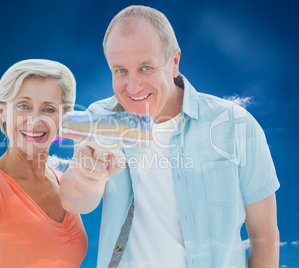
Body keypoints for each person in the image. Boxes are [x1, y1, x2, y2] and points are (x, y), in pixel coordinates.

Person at [60, 5, 280, 268]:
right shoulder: (100, 118)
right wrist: (89, 176)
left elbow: (264, 236)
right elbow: (76, 202)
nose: (133, 87)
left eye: (146, 68)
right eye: (120, 71)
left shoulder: (237, 126)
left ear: (174, 62)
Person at [0, 59, 88, 267]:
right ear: (2, 111)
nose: (35, 120)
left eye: (49, 109)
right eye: (23, 106)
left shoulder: (64, 182)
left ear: (63, 118)